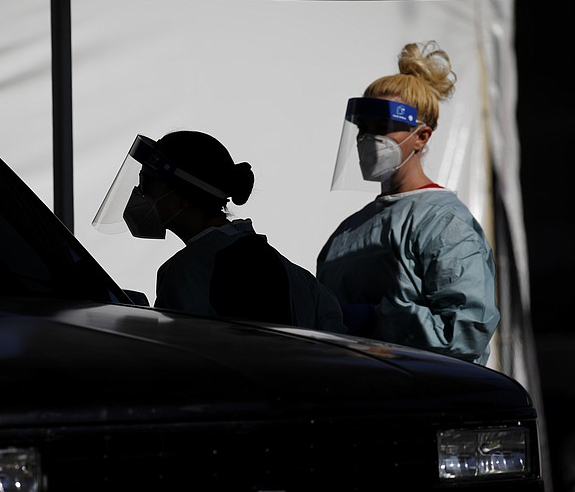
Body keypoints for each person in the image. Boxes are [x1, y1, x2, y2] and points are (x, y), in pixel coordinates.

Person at [316, 41, 499, 365]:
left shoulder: (444, 223)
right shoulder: (348, 231)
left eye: (383, 128)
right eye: (364, 128)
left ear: (422, 136)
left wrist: (378, 319)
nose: (368, 139)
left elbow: (463, 334)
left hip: (427, 401)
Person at [93, 130, 346, 333]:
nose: (138, 193)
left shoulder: (187, 271)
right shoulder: (296, 276)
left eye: (147, 183)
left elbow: (183, 360)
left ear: (185, 196)